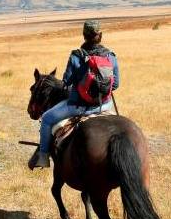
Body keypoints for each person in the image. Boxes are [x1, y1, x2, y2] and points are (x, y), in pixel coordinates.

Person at [28, 20, 119, 170]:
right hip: (105, 105)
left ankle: (43, 156)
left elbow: (66, 83)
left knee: (46, 119)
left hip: (78, 107)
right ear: (100, 35)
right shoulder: (111, 56)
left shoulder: (76, 56)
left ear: (84, 35)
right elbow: (115, 85)